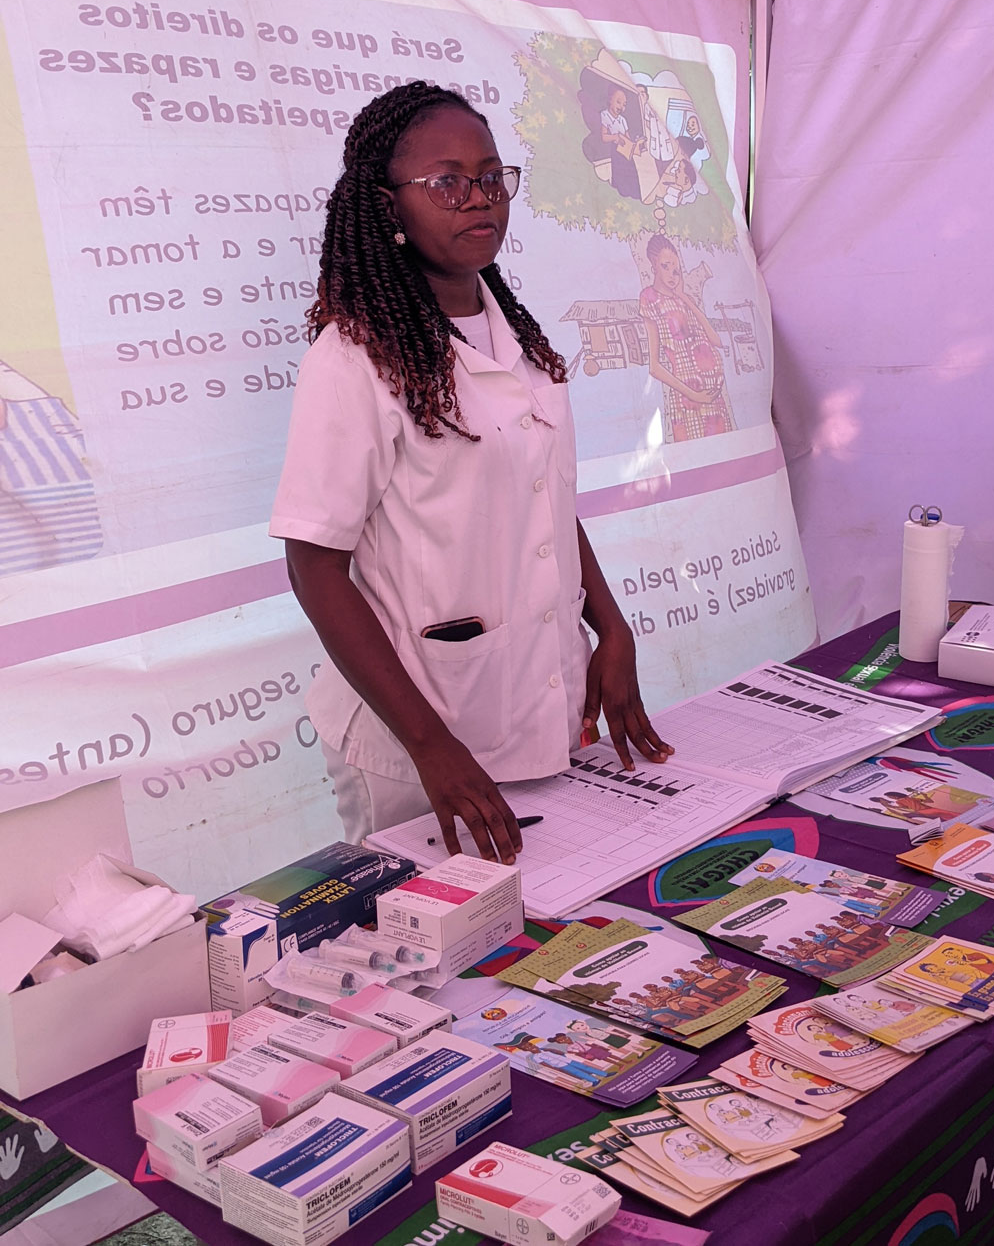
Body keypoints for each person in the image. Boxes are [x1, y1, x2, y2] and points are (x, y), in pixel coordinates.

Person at [270, 81, 671, 863]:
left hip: (531, 701)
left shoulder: (513, 335)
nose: (479, 198)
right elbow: (314, 565)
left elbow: (540, 497)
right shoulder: (353, 358)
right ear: (388, 206)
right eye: (446, 182)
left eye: (491, 176)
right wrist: (431, 744)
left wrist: (610, 625)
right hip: (418, 738)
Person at [639, 234, 734, 441]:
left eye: (676, 269)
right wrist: (693, 395)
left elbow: (715, 340)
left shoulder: (683, 299)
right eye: (665, 266)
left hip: (712, 398)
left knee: (723, 458)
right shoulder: (649, 298)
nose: (672, 274)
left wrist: (684, 297)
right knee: (697, 460)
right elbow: (654, 367)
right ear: (654, 265)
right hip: (687, 399)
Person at [599, 86, 643, 200]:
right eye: (618, 102)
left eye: (624, 104)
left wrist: (634, 145)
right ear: (610, 100)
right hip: (616, 150)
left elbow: (627, 136)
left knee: (631, 173)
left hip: (626, 151)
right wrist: (616, 137)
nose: (621, 107)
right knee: (619, 174)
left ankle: (634, 193)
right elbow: (603, 137)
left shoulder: (623, 120)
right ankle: (621, 194)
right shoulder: (605, 115)